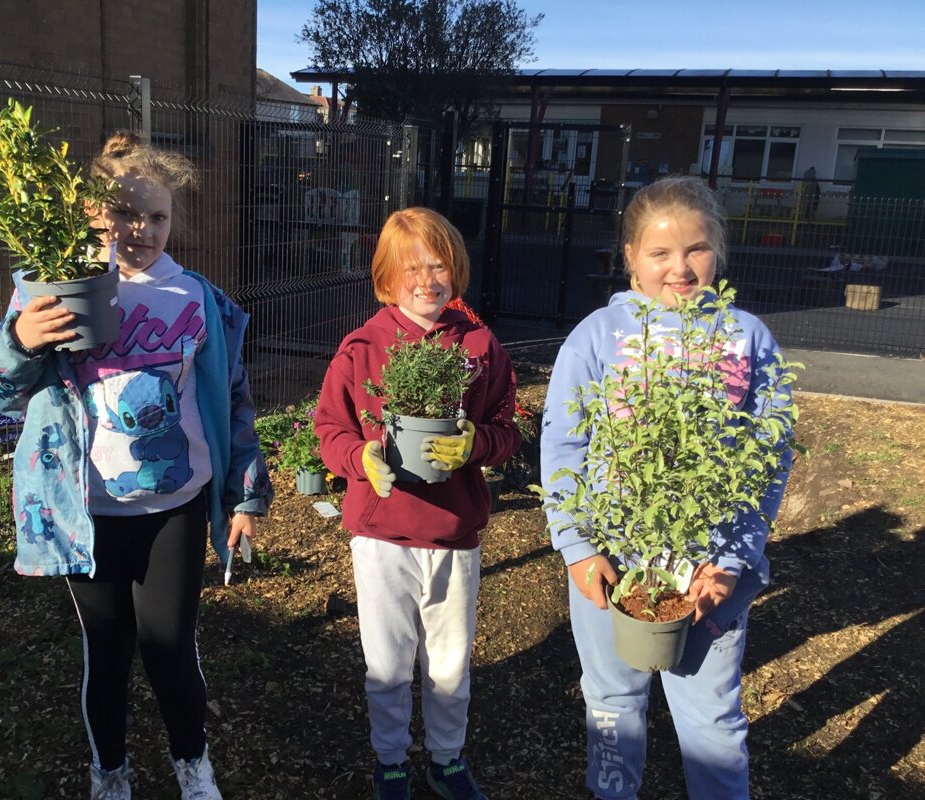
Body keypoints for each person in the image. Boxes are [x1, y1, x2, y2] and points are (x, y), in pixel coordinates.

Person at [0, 132, 273, 800]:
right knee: (106, 654)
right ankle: (110, 772)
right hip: (89, 513)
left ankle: (191, 764)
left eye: (157, 216)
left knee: (171, 647)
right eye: (126, 214)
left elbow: (233, 404)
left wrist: (246, 494)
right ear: (92, 216)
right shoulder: (54, 291)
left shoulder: (199, 301)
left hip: (175, 507)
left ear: (174, 220)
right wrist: (21, 340)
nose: (141, 229)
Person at [540, 176, 793, 800]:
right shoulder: (598, 335)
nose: (679, 268)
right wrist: (576, 546)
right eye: (660, 253)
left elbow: (767, 460)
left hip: (710, 576)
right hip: (611, 566)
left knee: (711, 717)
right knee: (611, 705)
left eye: (696, 250)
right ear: (630, 256)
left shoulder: (748, 337)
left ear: (719, 252)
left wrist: (731, 561)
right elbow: (563, 445)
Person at [315, 207, 520, 800]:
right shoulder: (363, 347)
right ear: (386, 277)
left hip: (454, 530)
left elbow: (507, 426)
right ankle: (391, 762)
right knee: (387, 660)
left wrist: (476, 445)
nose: (428, 281)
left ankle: (447, 759)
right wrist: (361, 460)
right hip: (382, 534)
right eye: (413, 269)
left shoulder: (478, 345)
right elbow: (330, 428)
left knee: (451, 660)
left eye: (440, 266)